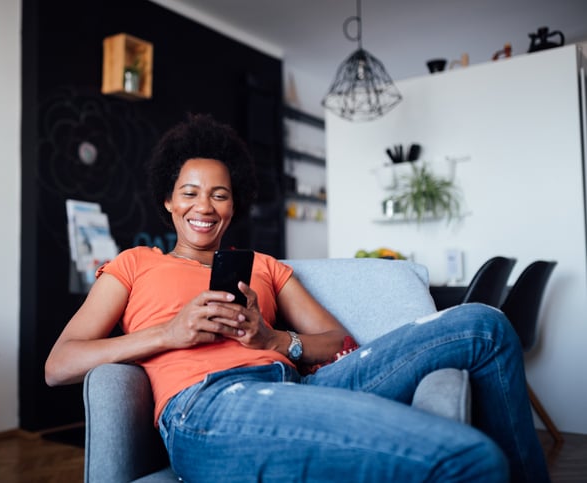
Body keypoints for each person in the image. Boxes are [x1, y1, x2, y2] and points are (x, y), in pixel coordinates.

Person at [45, 114, 549, 482]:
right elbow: (60, 363)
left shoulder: (265, 266)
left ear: (234, 203)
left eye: (219, 194)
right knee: (471, 459)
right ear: (168, 200)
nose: (204, 205)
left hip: (305, 386)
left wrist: (275, 338)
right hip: (209, 406)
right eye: (190, 192)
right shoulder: (137, 263)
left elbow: (338, 341)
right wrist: (168, 333)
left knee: (485, 324)